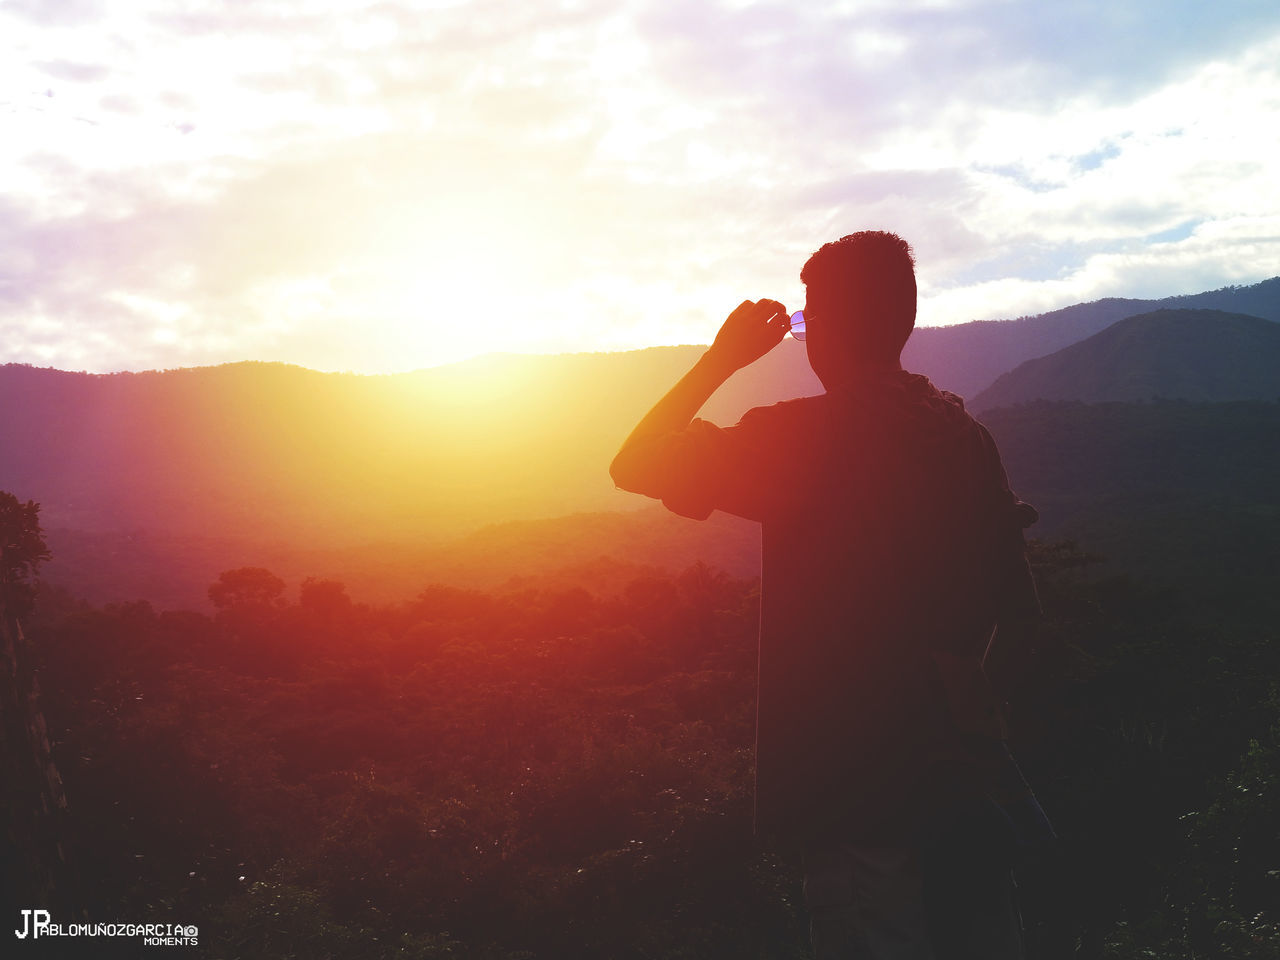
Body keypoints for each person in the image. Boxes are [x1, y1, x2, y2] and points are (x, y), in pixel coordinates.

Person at [609, 231, 1044, 958]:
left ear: (829, 328)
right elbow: (1022, 616)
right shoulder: (966, 438)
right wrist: (962, 725)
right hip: (969, 791)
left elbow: (636, 460)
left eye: (809, 318)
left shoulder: (807, 439)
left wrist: (722, 358)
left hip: (854, 794)